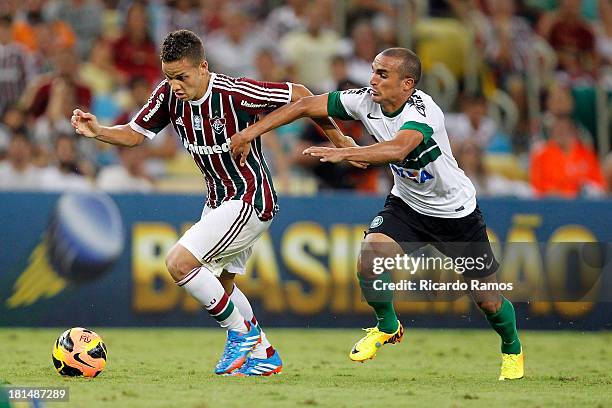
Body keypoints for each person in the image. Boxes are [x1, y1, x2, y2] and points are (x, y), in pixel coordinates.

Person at [70, 29, 357, 377]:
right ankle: (265, 354)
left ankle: (239, 334)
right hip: (219, 203)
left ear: (203, 67)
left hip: (250, 197)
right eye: (169, 77)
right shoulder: (168, 96)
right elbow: (135, 134)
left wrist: (339, 138)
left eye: (182, 77)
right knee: (220, 286)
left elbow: (300, 94)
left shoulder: (232, 93)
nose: (175, 85)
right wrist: (98, 130)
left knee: (179, 263)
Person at [231, 47, 524, 381]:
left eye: (383, 74)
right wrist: (249, 133)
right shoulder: (365, 100)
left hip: (456, 215)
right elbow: (303, 105)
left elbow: (398, 148)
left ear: (407, 84)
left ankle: (512, 349)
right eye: (373, 70)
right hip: (408, 206)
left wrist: (348, 153)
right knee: (369, 258)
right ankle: (387, 325)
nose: (372, 79)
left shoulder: (424, 111)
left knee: (487, 300)